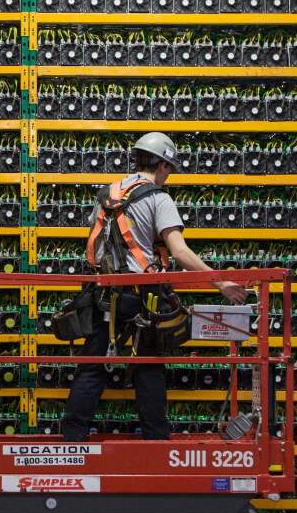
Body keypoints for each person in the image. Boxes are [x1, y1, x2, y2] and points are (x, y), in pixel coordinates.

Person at [61, 132, 249, 441]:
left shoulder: (108, 194)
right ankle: (156, 439)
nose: (169, 175)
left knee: (92, 365)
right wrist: (222, 283)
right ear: (161, 164)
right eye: (169, 168)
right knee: (148, 366)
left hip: (103, 294)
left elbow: (95, 248)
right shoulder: (159, 198)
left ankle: (73, 439)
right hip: (141, 298)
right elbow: (180, 252)